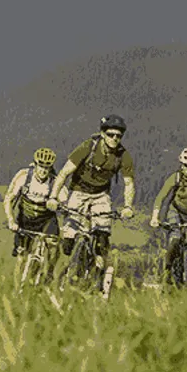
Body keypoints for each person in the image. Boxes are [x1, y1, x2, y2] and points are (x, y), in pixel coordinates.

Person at [46, 114, 136, 278]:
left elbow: (129, 183)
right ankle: (61, 274)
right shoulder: (88, 147)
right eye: (110, 135)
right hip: (78, 191)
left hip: (101, 194)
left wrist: (128, 207)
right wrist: (53, 197)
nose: (114, 139)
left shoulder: (123, 156)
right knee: (68, 240)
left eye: (118, 136)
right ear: (102, 134)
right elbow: (64, 173)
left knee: (102, 237)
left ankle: (99, 276)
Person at [4, 148, 68, 273]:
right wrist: (11, 220)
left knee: (53, 248)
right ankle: (17, 290)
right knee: (21, 258)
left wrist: (61, 207)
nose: (43, 170)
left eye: (47, 167)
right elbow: (8, 199)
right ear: (35, 164)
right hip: (25, 218)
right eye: (41, 166)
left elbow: (67, 206)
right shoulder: (23, 176)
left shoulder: (55, 182)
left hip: (46, 220)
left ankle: (48, 276)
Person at [149, 147, 187, 277]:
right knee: (175, 238)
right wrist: (155, 217)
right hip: (177, 212)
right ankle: (167, 269)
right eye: (186, 166)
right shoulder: (176, 178)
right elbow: (160, 197)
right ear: (181, 164)